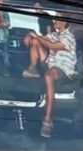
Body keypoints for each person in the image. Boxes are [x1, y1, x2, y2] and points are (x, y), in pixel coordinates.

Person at [31, 11, 76, 140]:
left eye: (58, 19)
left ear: (65, 22)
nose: (55, 21)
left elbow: (52, 46)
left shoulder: (68, 37)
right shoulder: (55, 34)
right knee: (35, 42)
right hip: (51, 63)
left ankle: (48, 119)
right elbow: (43, 39)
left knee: (48, 76)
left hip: (63, 68)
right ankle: (32, 69)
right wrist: (31, 37)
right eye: (54, 19)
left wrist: (38, 37)